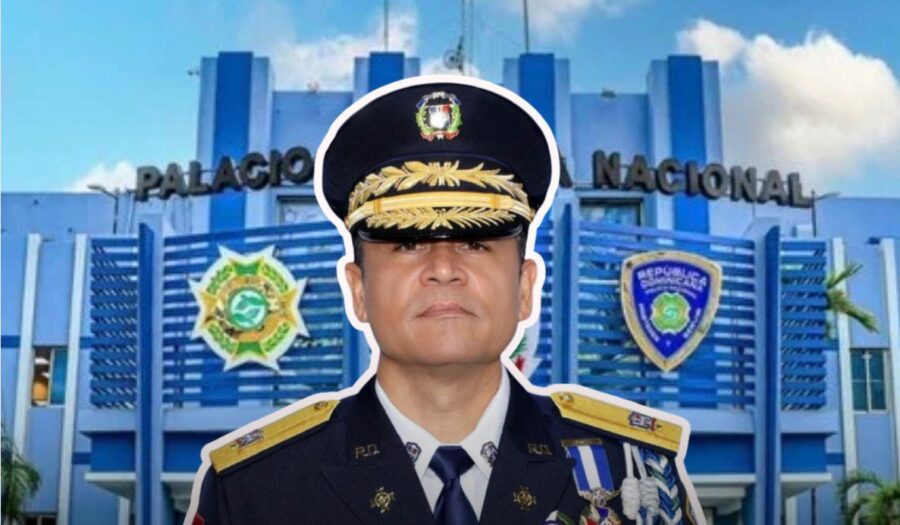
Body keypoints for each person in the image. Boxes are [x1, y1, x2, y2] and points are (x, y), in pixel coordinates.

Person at [186, 76, 703, 525]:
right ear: (358, 290)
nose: (443, 268)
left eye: (476, 242)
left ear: (525, 287)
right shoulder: (254, 490)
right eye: (407, 243)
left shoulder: (633, 474)